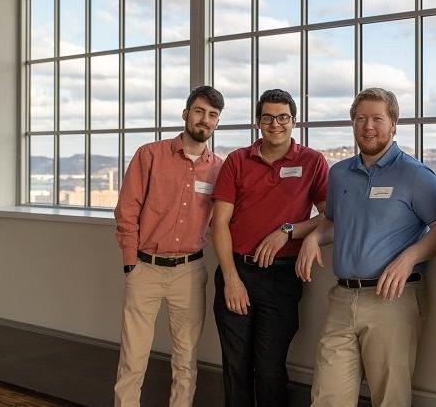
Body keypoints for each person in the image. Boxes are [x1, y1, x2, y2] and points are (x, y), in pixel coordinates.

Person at [297, 87, 436, 407]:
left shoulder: (416, 175)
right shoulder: (339, 173)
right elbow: (333, 222)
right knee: (327, 395)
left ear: (394, 124)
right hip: (341, 297)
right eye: (361, 119)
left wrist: (409, 258)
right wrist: (313, 237)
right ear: (352, 124)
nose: (369, 126)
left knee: (389, 397)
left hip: (392, 300)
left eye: (378, 119)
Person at [211, 89, 329, 407]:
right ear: (258, 122)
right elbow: (219, 223)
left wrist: (288, 232)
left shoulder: (312, 161)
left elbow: (330, 218)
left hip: (282, 278)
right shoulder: (237, 160)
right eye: (267, 117)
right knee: (236, 366)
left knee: (269, 366)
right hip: (237, 272)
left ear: (294, 121)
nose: (275, 124)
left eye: (282, 117)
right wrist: (231, 279)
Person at [113, 85, 225, 407]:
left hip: (190, 272)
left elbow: (224, 220)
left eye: (213, 115)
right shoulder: (150, 154)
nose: (205, 119)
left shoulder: (219, 168)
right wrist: (130, 261)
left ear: (217, 123)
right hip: (145, 268)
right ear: (186, 113)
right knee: (133, 357)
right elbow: (127, 209)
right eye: (200, 111)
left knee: (186, 360)